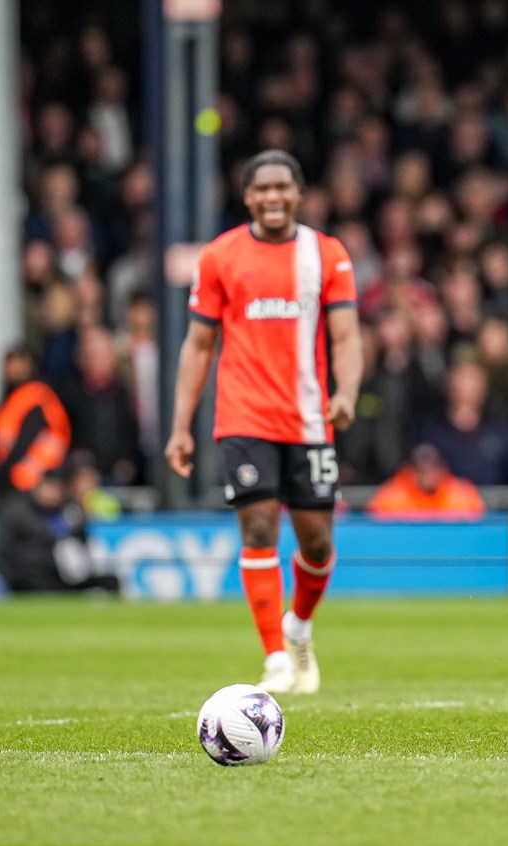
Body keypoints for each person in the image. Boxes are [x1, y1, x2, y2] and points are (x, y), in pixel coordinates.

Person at [165, 150, 362, 696]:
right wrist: (181, 425)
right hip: (244, 415)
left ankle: (298, 627)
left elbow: (345, 335)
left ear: (299, 194)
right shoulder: (221, 255)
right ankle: (275, 655)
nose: (273, 197)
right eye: (262, 189)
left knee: (317, 544)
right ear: (247, 196)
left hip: (309, 418)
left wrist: (345, 393)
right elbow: (198, 344)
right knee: (256, 528)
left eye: (283, 187)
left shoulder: (327, 255)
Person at [0, 345, 70, 499]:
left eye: (19, 363)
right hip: (17, 478)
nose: (14, 369)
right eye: (10, 364)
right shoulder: (13, 398)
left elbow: (25, 442)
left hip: (34, 480)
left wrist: (3, 474)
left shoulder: (36, 396)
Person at [366, 443, 485, 520]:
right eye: (421, 471)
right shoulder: (391, 497)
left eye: (432, 470)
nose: (427, 476)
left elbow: (477, 524)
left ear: (441, 470)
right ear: (410, 471)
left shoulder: (461, 495)